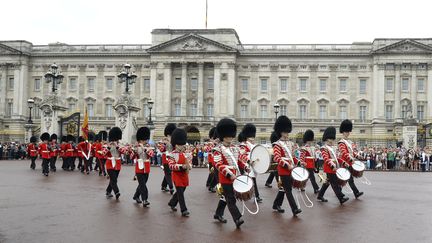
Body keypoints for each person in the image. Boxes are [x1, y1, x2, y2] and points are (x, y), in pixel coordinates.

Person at [213, 118, 249, 228]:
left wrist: (247, 167)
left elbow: (240, 161)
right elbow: (218, 165)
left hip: (236, 176)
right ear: (223, 136)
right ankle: (237, 218)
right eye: (228, 136)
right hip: (225, 178)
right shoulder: (217, 149)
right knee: (230, 199)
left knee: (226, 197)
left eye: (231, 136)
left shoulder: (235, 148)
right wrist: (229, 174)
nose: (230, 138)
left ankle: (218, 214)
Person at [271, 116, 302, 216]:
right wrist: (287, 165)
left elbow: (293, 157)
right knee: (288, 190)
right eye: (285, 132)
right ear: (280, 132)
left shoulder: (291, 144)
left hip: (291, 169)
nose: (286, 133)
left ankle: (276, 204)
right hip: (284, 170)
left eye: (287, 132)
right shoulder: (277, 144)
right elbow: (277, 158)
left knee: (284, 188)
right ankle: (295, 209)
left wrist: (299, 162)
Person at [317, 126, 349, 204]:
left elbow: (337, 158)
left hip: (334, 168)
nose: (332, 140)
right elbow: (326, 159)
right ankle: (341, 198)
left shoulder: (332, 148)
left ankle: (320, 196)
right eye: (331, 139)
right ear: (327, 139)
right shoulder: (323, 148)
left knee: (327, 183)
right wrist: (332, 166)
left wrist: (344, 162)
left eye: (333, 139)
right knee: (335, 184)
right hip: (329, 168)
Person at [167, 128, 191, 217]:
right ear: (175, 145)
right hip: (176, 175)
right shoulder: (171, 154)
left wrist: (189, 166)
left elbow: (189, 163)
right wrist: (181, 167)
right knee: (180, 192)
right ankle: (184, 210)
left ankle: (172, 202)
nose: (181, 146)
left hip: (184, 175)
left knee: (182, 190)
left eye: (182, 145)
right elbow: (171, 166)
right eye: (179, 145)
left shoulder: (186, 154)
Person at [338, 119, 364, 199]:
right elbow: (344, 153)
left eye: (348, 131)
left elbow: (352, 152)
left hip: (350, 163)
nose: (348, 133)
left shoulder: (349, 142)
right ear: (343, 132)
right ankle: (354, 193)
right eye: (346, 131)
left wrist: (358, 156)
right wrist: (350, 159)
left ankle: (339, 192)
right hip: (345, 163)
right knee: (347, 179)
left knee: (346, 179)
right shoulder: (341, 142)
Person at [238, 123, 262, 203]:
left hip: (253, 165)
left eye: (252, 136)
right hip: (247, 165)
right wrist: (248, 161)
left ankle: (250, 195)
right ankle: (256, 196)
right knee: (252, 181)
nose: (252, 138)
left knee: (251, 181)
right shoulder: (243, 145)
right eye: (250, 136)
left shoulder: (253, 145)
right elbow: (241, 155)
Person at [132, 127, 154, 207]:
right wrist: (134, 151)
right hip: (139, 168)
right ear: (140, 140)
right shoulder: (136, 147)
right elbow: (131, 157)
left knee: (142, 184)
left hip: (146, 168)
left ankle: (136, 196)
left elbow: (152, 154)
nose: (145, 141)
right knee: (143, 185)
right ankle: (145, 199)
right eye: (143, 140)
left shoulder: (148, 147)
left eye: (145, 140)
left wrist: (145, 148)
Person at [103, 127, 126, 200]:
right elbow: (103, 153)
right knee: (114, 179)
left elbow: (124, 152)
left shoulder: (120, 145)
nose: (117, 140)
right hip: (109, 163)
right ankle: (117, 192)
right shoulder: (107, 145)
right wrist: (108, 147)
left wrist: (117, 146)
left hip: (117, 164)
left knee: (114, 179)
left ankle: (108, 191)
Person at [299, 130, 320, 194]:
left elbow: (314, 156)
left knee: (307, 176)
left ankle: (301, 186)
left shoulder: (313, 148)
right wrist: (302, 162)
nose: (310, 142)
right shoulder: (304, 148)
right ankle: (316, 188)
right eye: (309, 140)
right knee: (312, 177)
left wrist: (315, 159)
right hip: (307, 164)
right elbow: (302, 157)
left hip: (312, 164)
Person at [159, 123, 176, 194]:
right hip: (165, 159)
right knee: (168, 173)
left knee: (167, 173)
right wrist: (165, 144)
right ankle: (171, 187)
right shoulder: (164, 141)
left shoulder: (174, 140)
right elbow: (161, 150)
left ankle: (163, 186)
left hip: (172, 158)